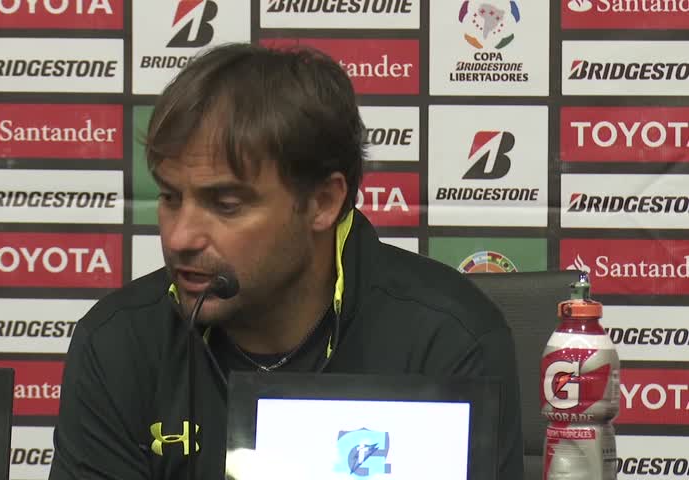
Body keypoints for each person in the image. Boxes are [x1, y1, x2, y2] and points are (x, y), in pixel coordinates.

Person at [49, 42, 523, 480]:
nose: (180, 236)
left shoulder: (447, 339)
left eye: (226, 205)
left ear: (322, 202)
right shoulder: (119, 343)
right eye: (171, 197)